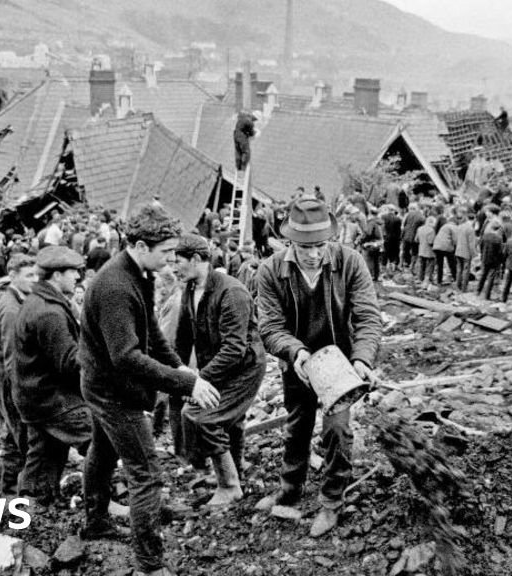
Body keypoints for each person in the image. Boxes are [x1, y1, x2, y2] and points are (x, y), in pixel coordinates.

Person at [79, 204, 220, 576]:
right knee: (146, 474)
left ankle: (95, 522)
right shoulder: (114, 287)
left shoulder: (138, 272)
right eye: (167, 252)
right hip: (113, 390)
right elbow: (126, 356)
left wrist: (178, 367)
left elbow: (152, 333)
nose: (173, 260)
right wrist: (186, 382)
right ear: (141, 245)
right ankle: (149, 566)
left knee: (104, 451)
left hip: (103, 383)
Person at [254, 198, 382, 538]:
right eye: (304, 246)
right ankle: (290, 489)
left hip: (339, 368)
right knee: (297, 427)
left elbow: (368, 317)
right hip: (298, 364)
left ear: (331, 239)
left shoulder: (350, 262)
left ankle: (330, 502)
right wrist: (294, 352)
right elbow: (269, 326)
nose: (313, 254)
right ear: (288, 241)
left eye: (320, 246)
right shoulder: (270, 271)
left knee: (337, 432)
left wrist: (362, 359)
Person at [173, 234, 264, 507]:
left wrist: (200, 381)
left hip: (244, 368)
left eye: (179, 262)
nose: (175, 268)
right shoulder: (190, 289)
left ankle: (229, 486)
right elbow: (183, 337)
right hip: (219, 367)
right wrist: (179, 375)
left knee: (203, 416)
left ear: (197, 259)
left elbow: (235, 348)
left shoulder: (230, 292)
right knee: (229, 420)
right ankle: (231, 468)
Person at [13, 246, 91, 506]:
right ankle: (102, 500)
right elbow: (70, 363)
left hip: (34, 395)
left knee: (45, 451)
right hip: (51, 399)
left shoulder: (39, 302)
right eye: (73, 273)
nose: (77, 278)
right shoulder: (49, 312)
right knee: (100, 439)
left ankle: (34, 503)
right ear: (56, 276)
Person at [0, 255, 37, 495]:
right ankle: (21, 491)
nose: (34, 280)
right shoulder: (10, 309)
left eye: (36, 275)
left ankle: (8, 486)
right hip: (9, 378)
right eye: (29, 275)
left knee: (13, 431)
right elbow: (12, 358)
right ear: (13, 276)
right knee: (22, 432)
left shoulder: (14, 301)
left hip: (3, 376)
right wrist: (22, 391)